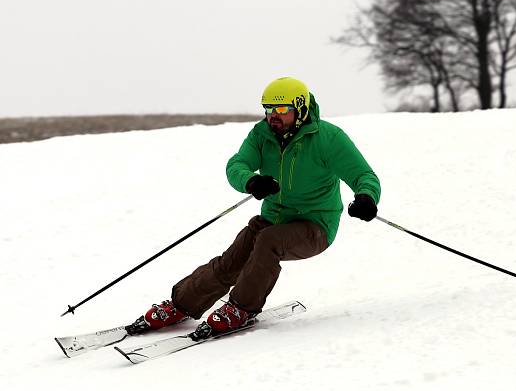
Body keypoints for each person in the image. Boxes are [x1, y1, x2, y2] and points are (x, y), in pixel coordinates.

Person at [128, 76, 381, 337]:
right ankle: (181, 305)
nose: (274, 116)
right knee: (234, 258)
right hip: (273, 219)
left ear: (301, 108)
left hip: (315, 226)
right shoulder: (262, 135)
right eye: (269, 109)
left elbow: (364, 175)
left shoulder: (328, 138)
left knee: (268, 240)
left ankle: (241, 308)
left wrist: (366, 197)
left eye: (282, 110)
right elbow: (236, 165)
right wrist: (251, 181)